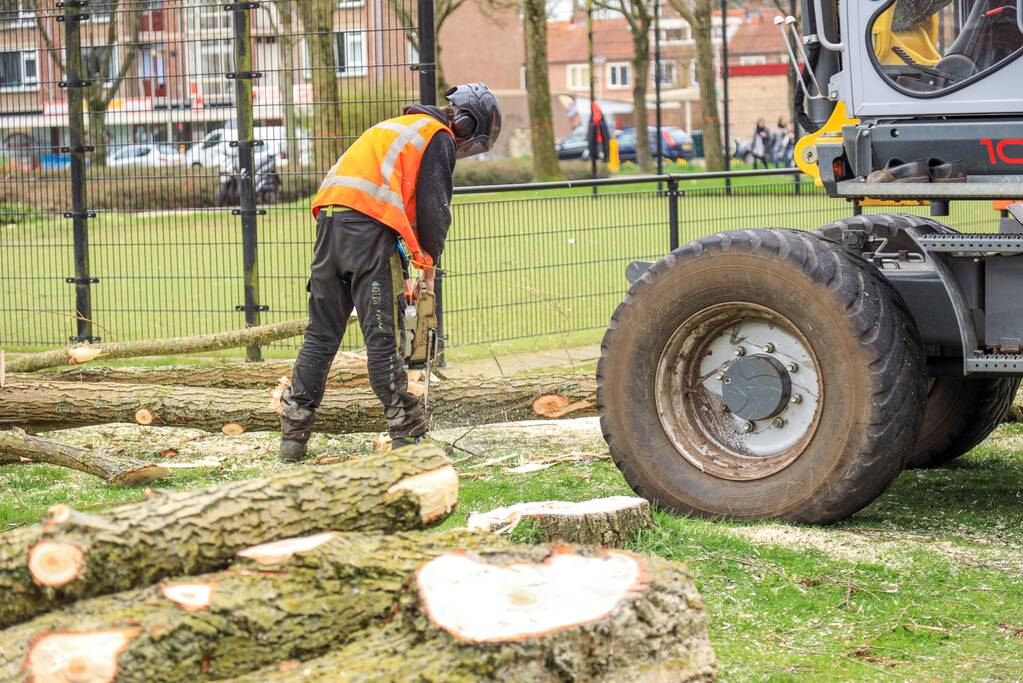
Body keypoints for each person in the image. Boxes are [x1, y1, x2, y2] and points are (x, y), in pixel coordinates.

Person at [277, 83, 502, 462]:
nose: (465, 149)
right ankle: (407, 432)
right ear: (465, 122)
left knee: (321, 335)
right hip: (365, 233)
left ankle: (293, 434)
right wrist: (428, 268)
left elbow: (385, 204)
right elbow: (434, 211)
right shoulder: (436, 135)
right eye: (472, 141)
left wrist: (406, 257)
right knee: (383, 337)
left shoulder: (397, 128)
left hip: (330, 226)